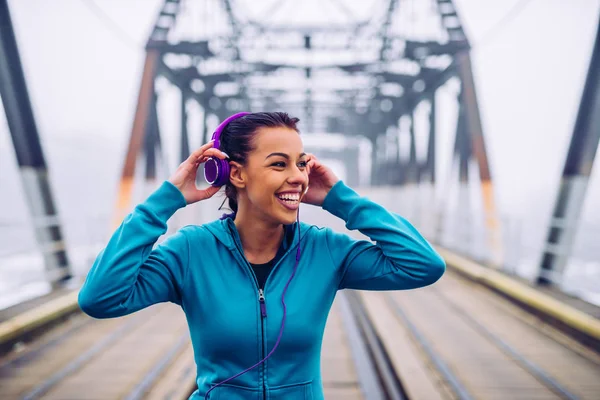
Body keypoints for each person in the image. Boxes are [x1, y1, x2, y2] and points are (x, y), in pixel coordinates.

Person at [78, 111, 446, 400]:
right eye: (278, 164)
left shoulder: (324, 251)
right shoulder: (191, 251)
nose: (298, 177)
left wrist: (341, 198)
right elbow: (101, 298)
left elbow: (422, 265)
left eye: (301, 164)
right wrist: (164, 201)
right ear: (235, 174)